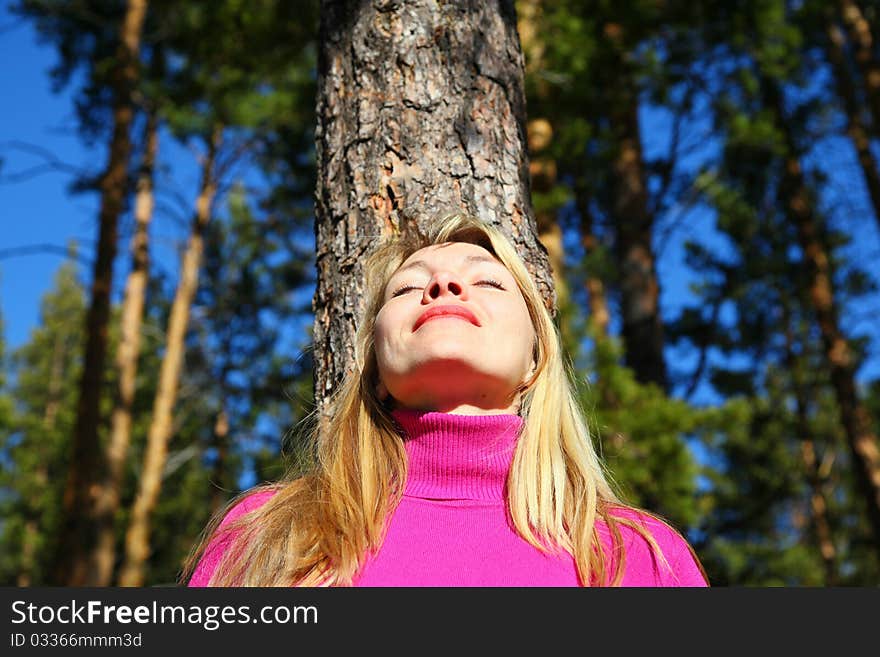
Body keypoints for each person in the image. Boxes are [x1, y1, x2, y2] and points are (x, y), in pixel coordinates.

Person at [181, 212, 709, 587]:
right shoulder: (269, 533)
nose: (444, 286)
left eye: (487, 282)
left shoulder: (635, 556)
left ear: (535, 361)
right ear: (376, 371)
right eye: (408, 288)